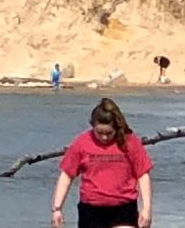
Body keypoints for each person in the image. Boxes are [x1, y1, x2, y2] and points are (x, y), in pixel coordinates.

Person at [52, 97, 153, 228]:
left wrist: (147, 209)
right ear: (92, 126)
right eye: (99, 133)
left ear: (116, 128)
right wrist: (57, 208)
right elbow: (66, 175)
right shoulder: (82, 143)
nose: (104, 137)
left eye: (109, 133)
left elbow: (143, 175)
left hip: (123, 208)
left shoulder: (129, 142)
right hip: (91, 210)